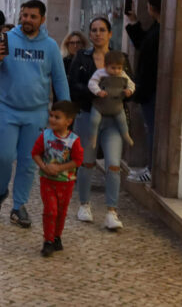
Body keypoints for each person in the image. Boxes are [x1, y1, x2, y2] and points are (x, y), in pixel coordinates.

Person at [0, 0, 70, 228]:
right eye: (25, 15)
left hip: (36, 114)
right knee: (2, 155)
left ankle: (18, 206)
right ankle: (0, 190)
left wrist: (66, 112)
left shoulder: (50, 46)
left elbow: (60, 80)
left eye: (33, 16)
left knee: (28, 162)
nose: (28, 20)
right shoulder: (8, 39)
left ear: (42, 19)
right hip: (8, 110)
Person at [68, 17, 133, 230]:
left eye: (102, 30)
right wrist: (94, 93)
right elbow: (73, 85)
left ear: (110, 33)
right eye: (94, 30)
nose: (98, 34)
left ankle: (111, 211)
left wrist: (124, 94)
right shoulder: (82, 56)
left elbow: (131, 84)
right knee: (86, 162)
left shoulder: (120, 58)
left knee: (113, 164)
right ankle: (84, 204)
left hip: (114, 118)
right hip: (88, 115)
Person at [31, 101, 83, 257]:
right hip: (47, 181)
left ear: (68, 121)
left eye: (57, 117)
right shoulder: (45, 136)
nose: (52, 119)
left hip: (66, 183)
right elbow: (35, 153)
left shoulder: (74, 140)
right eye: (51, 116)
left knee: (61, 212)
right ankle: (47, 241)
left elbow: (78, 160)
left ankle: (57, 237)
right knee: (50, 211)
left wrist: (60, 168)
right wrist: (44, 166)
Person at [125, 0, 161, 183]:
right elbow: (142, 42)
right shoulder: (156, 28)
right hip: (148, 88)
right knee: (150, 128)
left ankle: (152, 169)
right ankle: (150, 167)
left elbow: (147, 54)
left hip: (150, 89)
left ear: (152, 7)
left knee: (153, 129)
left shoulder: (160, 31)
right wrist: (133, 21)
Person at [87, 50, 136, 148]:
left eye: (119, 68)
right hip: (100, 105)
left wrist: (129, 91)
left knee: (122, 121)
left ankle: (126, 135)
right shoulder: (100, 73)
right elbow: (91, 83)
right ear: (105, 66)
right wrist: (98, 91)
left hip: (117, 105)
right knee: (94, 120)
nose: (116, 71)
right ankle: (93, 137)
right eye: (113, 68)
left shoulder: (122, 74)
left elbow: (131, 84)